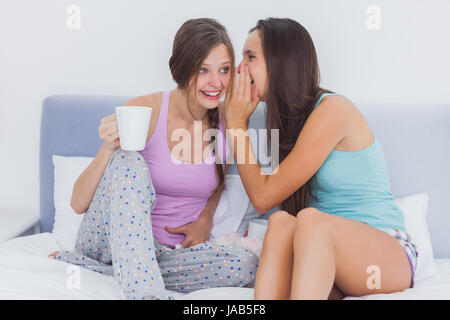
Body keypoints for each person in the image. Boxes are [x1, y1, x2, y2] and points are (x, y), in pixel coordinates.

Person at [48, 18, 258, 300]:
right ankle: (148, 294)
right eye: (202, 70)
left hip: (171, 254)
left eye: (224, 70)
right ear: (180, 69)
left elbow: (217, 182)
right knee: (129, 162)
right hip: (107, 243)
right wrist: (107, 149)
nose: (216, 82)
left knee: (244, 265)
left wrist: (205, 219)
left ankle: (107, 271)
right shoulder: (144, 110)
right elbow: (77, 203)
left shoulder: (225, 123)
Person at [224, 17, 418, 300]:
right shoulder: (285, 122)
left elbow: (263, 197)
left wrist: (236, 125)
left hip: (386, 254)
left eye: (250, 57)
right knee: (280, 222)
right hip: (325, 258)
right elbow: (266, 202)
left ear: (281, 62)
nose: (240, 69)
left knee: (311, 221)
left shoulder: (333, 111)